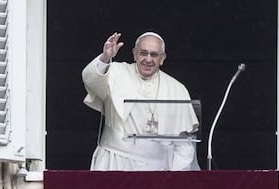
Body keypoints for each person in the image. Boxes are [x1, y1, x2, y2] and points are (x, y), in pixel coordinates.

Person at [82, 32, 199, 171]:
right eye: (143, 53)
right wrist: (105, 57)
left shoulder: (177, 89)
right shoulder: (116, 72)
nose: (148, 59)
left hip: (158, 169)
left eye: (154, 55)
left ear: (162, 58)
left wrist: (174, 176)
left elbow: (184, 144)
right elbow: (90, 79)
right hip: (115, 162)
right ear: (134, 54)